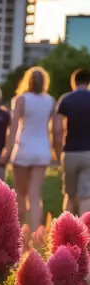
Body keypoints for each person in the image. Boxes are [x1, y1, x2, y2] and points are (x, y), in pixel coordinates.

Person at [5, 66, 54, 230]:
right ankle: (35, 234)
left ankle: (19, 233)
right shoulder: (50, 101)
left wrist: (8, 151)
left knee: (20, 193)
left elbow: (13, 128)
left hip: (24, 149)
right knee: (35, 195)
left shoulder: (21, 99)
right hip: (42, 150)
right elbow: (52, 128)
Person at [53, 68, 90, 215]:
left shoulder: (65, 100)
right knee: (85, 196)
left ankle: (65, 232)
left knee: (69, 195)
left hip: (70, 152)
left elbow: (57, 131)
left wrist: (58, 153)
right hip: (89, 153)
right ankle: (85, 232)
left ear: (73, 82)